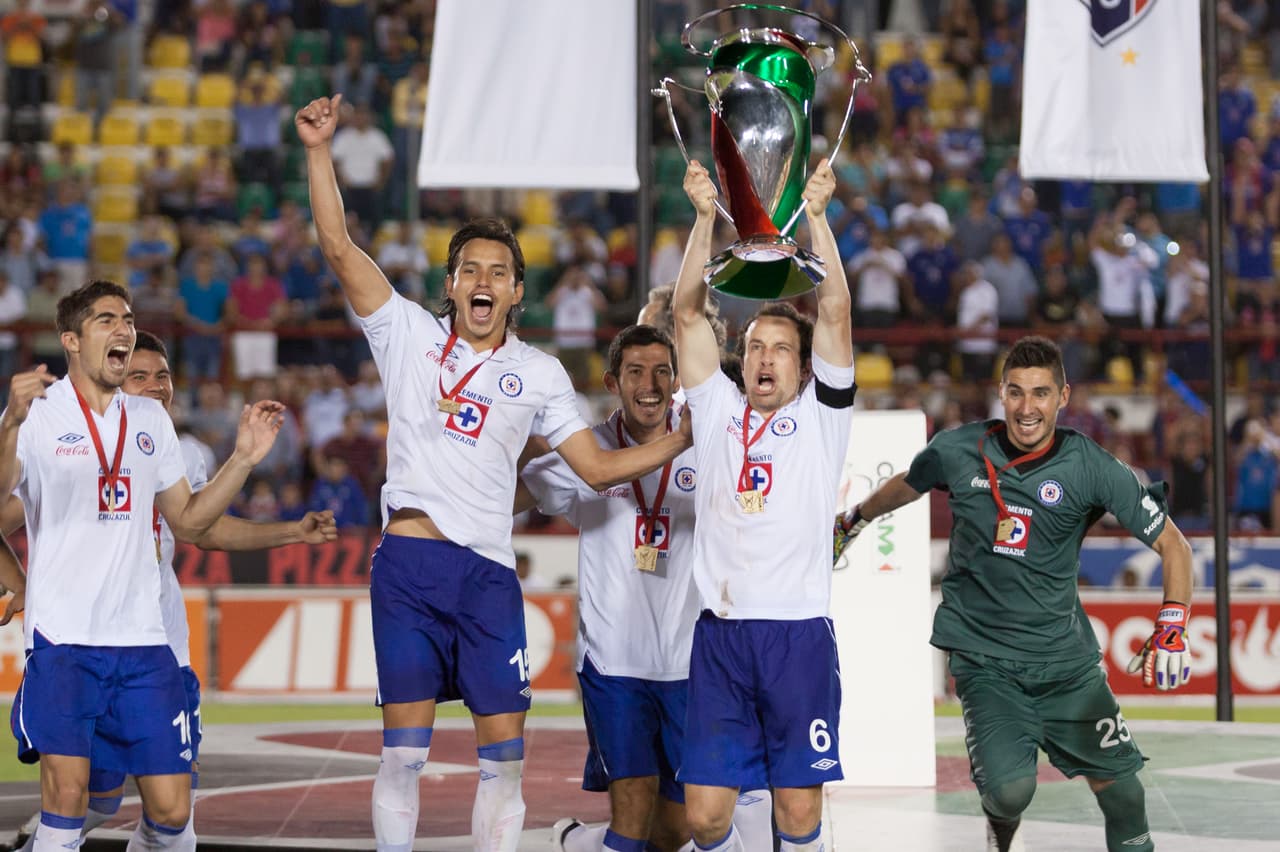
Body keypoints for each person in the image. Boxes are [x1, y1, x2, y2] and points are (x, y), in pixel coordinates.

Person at [295, 94, 694, 852]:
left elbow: (596, 468)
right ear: (450, 285)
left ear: (516, 291)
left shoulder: (540, 373)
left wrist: (680, 440)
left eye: (499, 271)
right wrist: (319, 150)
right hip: (410, 566)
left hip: (487, 576)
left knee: (503, 767)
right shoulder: (407, 335)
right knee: (403, 756)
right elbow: (340, 247)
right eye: (470, 269)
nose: (484, 279)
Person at [833, 336, 1193, 852]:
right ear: (1001, 393)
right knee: (1009, 792)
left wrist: (1172, 626)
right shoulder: (957, 450)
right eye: (1017, 392)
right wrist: (854, 519)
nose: (1028, 408)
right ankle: (1000, 828)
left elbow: (1174, 546)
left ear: (1063, 396)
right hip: (986, 662)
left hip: (1067, 667)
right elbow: (909, 484)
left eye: (1041, 393)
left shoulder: (1090, 465)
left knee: (1125, 795)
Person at [4, 329, 339, 850]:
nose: (156, 386)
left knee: (173, 820)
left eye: (163, 375)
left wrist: (292, 531)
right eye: (139, 375)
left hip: (163, 650)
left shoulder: (184, 450)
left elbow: (200, 527)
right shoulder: (71, 441)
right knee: (95, 802)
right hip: (86, 644)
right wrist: (22, 585)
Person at [519, 325, 772, 852]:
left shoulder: (709, 445)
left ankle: (576, 841)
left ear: (677, 380)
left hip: (688, 664)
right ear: (613, 382)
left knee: (675, 830)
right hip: (614, 664)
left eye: (661, 372)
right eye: (635, 372)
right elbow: (504, 496)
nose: (650, 385)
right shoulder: (587, 452)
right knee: (633, 812)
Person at [672, 158, 854, 852]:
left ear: (803, 368)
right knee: (705, 818)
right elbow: (687, 314)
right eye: (755, 348)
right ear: (741, 360)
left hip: (797, 638)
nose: (766, 359)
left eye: (781, 349)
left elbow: (833, 311)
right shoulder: (718, 409)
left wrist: (818, 219)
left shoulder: (820, 418)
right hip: (721, 638)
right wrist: (703, 220)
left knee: (798, 815)